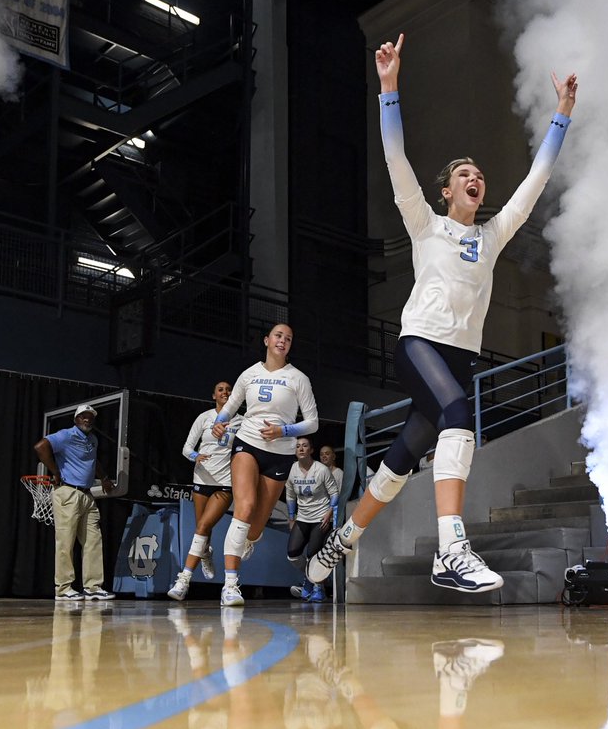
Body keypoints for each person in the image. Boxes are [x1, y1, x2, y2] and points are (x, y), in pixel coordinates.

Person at [308, 33, 576, 593]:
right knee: (458, 412)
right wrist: (388, 87)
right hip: (418, 343)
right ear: (446, 192)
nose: (475, 178)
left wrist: (561, 116)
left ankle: (343, 539)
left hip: (460, 356)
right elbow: (393, 155)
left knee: (400, 463)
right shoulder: (424, 225)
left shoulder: (494, 234)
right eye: (463, 175)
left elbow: (536, 182)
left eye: (479, 174)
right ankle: (450, 550)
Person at [212, 323, 318, 607]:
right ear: (267, 340)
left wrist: (284, 431)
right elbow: (230, 408)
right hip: (248, 443)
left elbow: (312, 422)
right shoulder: (250, 374)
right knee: (244, 507)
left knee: (256, 526)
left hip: (281, 453)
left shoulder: (298, 378)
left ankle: (247, 540)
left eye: (289, 338)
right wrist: (218, 424)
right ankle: (231, 584)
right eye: (278, 336)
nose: (283, 341)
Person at [168, 381, 244, 601]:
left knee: (203, 525)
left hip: (225, 482)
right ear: (214, 395)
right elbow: (186, 449)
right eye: (221, 390)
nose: (225, 392)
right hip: (201, 478)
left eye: (229, 390)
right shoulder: (204, 417)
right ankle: (206, 552)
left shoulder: (241, 420)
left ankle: (184, 579)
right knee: (203, 528)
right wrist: (196, 457)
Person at [33, 404, 116, 601]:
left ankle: (93, 587)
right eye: (83, 417)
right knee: (66, 541)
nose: (87, 419)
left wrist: (104, 477)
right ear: (76, 419)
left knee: (93, 541)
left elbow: (92, 462)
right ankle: (63, 589)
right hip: (68, 492)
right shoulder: (66, 435)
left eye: (90, 417)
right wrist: (55, 471)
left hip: (87, 495)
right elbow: (40, 447)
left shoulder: (92, 439)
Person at [285, 436, 340, 602]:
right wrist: (291, 517)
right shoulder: (293, 469)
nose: (301, 449)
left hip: (320, 517)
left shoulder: (321, 469)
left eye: (305, 446)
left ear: (311, 450)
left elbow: (334, 492)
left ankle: (317, 587)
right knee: (292, 553)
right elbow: (290, 494)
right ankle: (310, 578)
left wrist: (329, 512)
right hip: (303, 518)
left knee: (312, 554)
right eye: (298, 446)